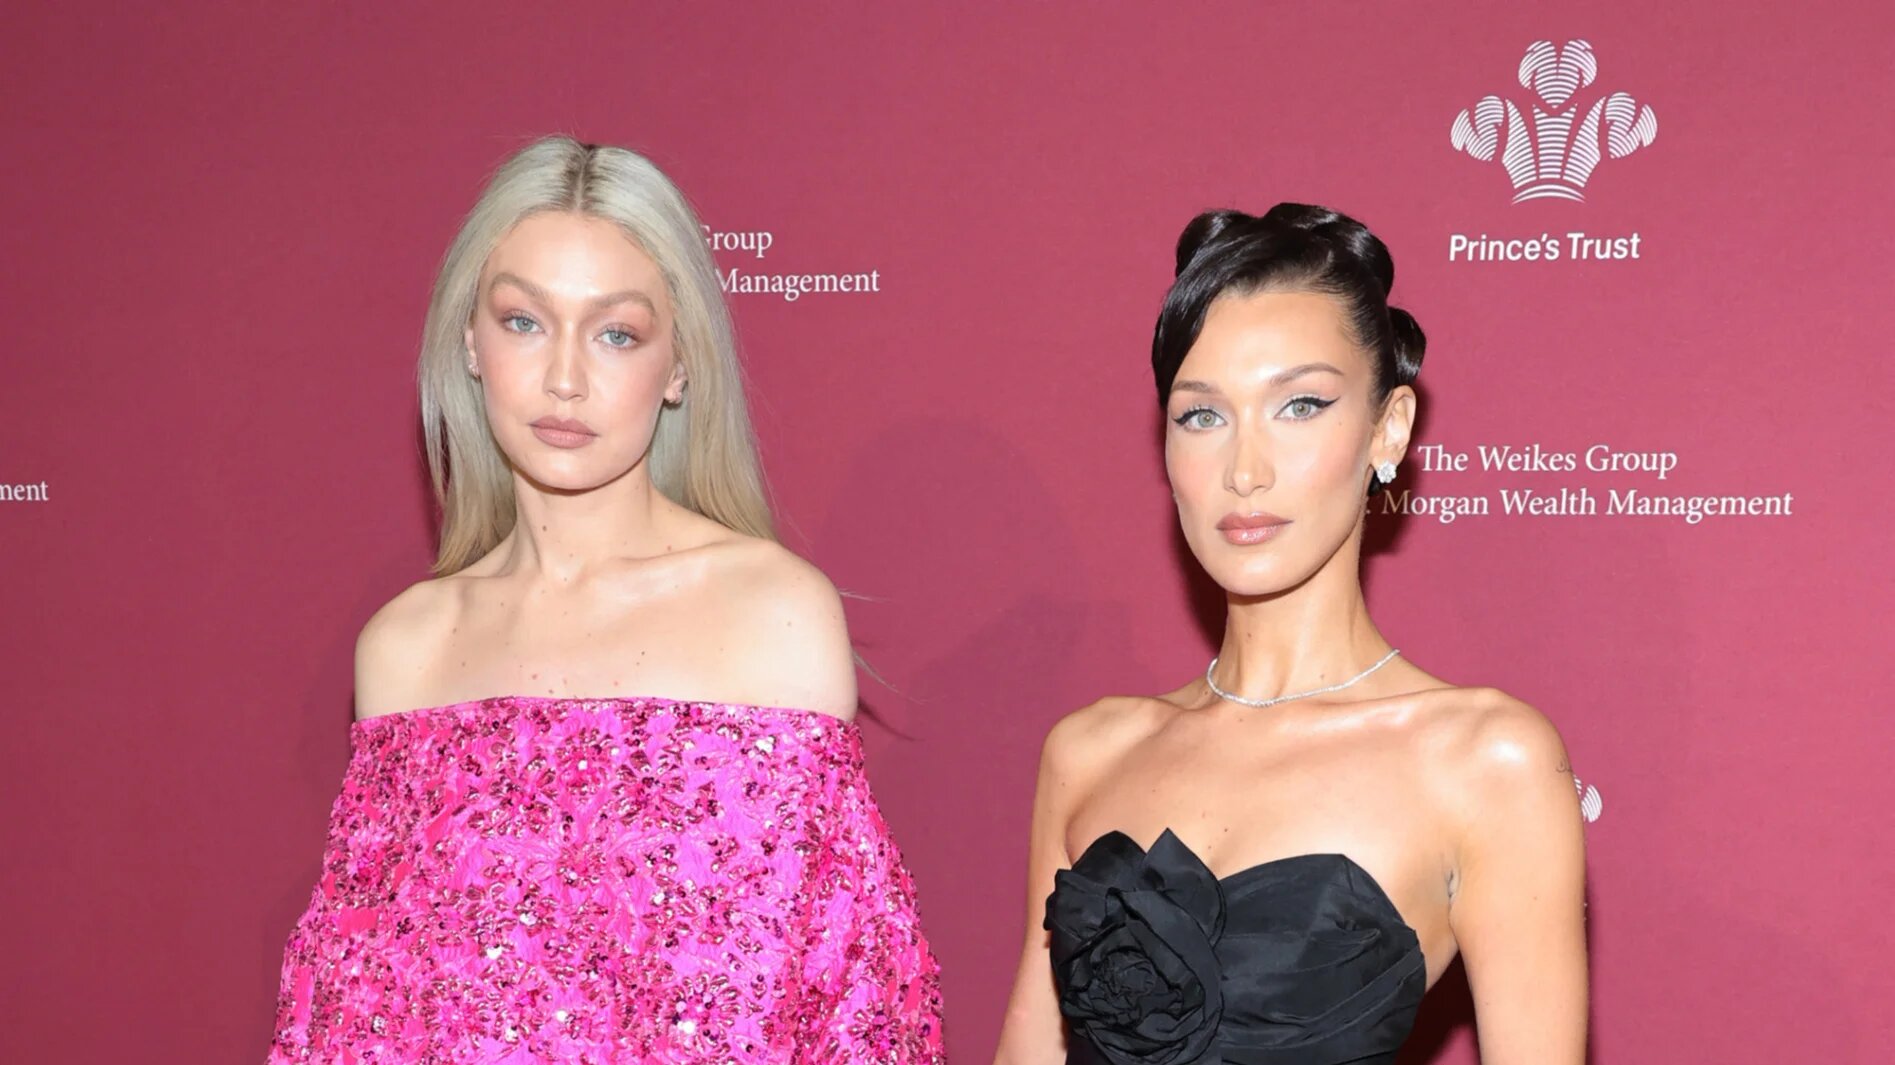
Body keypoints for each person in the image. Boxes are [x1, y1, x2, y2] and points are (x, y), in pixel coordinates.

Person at [264, 135, 944, 1064]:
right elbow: (350, 1027)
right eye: (523, 321)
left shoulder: (771, 615)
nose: (566, 378)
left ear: (678, 367)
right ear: (468, 342)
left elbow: (852, 1012)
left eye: (616, 332)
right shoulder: (407, 649)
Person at [992, 205, 1587, 1065]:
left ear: (1388, 430)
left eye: (1299, 405)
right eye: (1202, 416)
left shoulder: (1484, 760)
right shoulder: (1087, 752)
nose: (1244, 470)